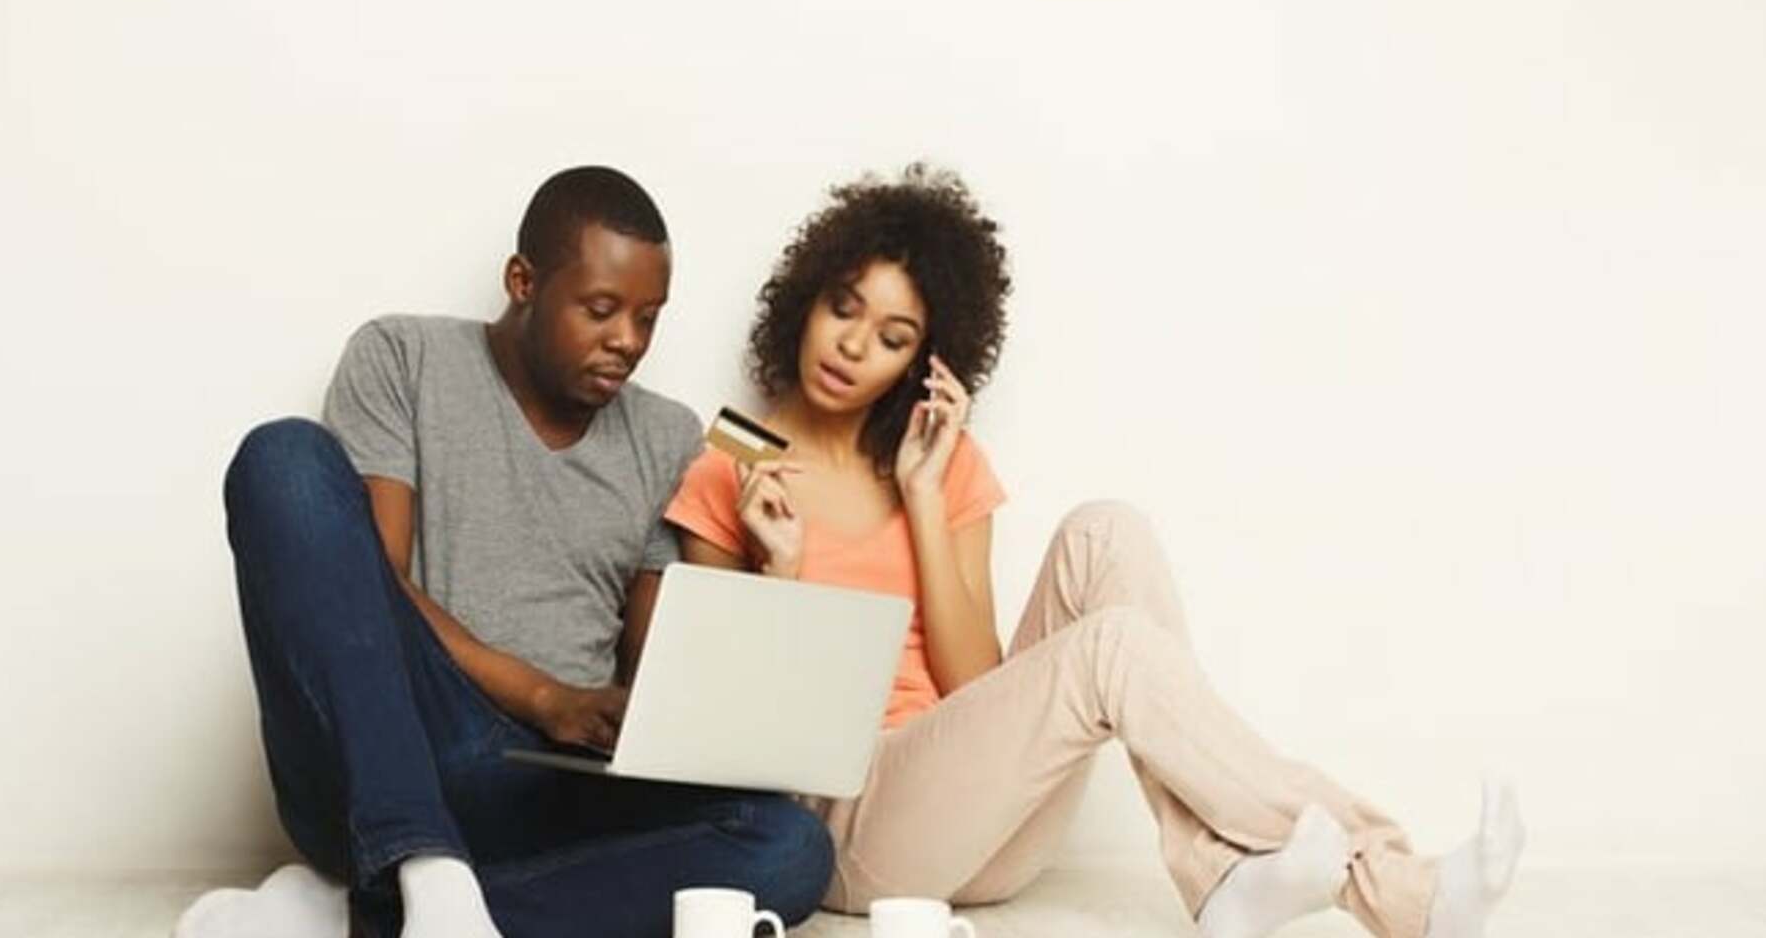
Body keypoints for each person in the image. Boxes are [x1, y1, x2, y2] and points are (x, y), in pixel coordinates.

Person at [662, 165, 1526, 938]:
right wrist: (779, 568)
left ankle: (1222, 874)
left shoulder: (940, 462)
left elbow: (974, 685)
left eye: (892, 337)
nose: (852, 346)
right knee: (1110, 650)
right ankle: (1394, 888)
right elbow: (741, 745)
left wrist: (924, 500)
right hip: (852, 833)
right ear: (806, 298)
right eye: (843, 308)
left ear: (923, 360)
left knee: (1106, 531)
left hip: (988, 824)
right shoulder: (730, 467)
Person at [187, 166, 834, 938]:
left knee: (789, 850)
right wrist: (542, 696)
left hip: (547, 789)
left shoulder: (666, 434)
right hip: (393, 751)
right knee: (283, 459)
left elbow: (654, 667)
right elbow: (375, 589)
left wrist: (769, 567)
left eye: (648, 319)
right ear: (523, 281)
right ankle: (418, 859)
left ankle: (367, 914)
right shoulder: (402, 357)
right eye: (601, 310)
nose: (627, 341)